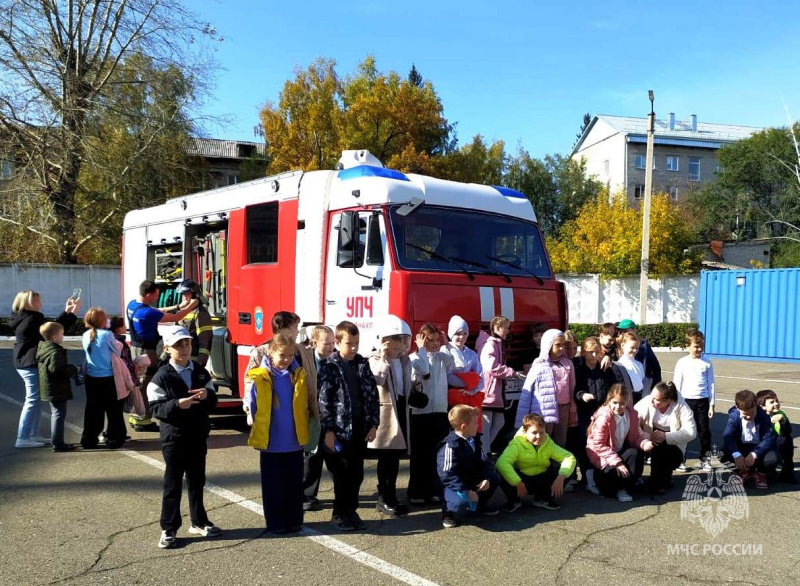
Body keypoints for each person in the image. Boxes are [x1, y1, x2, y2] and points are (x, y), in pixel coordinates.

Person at [148, 326, 220, 549]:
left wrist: (207, 395)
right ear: (168, 348)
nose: (185, 348)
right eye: (179, 344)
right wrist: (177, 404)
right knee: (173, 484)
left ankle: (199, 522)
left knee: (197, 481)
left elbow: (213, 401)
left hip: (197, 434)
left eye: (188, 343)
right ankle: (168, 527)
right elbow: (155, 408)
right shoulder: (161, 376)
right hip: (174, 437)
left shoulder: (200, 371)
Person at [318, 321, 380, 532]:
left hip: (360, 427)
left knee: (357, 473)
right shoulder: (330, 366)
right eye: (349, 344)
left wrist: (373, 424)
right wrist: (328, 430)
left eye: (356, 343)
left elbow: (372, 396)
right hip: (339, 429)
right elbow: (324, 400)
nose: (353, 348)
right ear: (337, 342)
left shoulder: (362, 364)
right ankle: (339, 513)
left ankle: (351, 510)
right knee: (342, 473)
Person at [246, 333, 310, 534]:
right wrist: (252, 419)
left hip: (294, 440)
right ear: (271, 352)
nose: (287, 359)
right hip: (271, 442)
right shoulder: (261, 376)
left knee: (293, 484)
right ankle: (276, 522)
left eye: (291, 355)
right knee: (273, 486)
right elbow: (253, 405)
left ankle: (294, 519)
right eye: (282, 355)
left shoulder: (297, 374)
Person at [11, 289, 80, 448]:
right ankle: (23, 437)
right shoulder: (34, 318)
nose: (40, 304)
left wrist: (67, 312)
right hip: (29, 361)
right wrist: (72, 313)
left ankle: (32, 435)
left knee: (36, 400)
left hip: (22, 360)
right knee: (33, 400)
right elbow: (51, 332)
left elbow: (51, 329)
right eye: (37, 301)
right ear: (29, 302)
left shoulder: (21, 317)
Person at [408, 322, 466, 504]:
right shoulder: (414, 357)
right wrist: (421, 349)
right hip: (420, 412)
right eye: (429, 340)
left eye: (435, 340)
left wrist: (447, 343)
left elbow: (460, 364)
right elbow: (423, 369)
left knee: (437, 453)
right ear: (420, 339)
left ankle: (434, 489)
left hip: (440, 410)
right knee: (420, 454)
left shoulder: (442, 356)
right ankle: (417, 491)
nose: (433, 344)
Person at [126, 280, 192, 430]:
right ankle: (143, 419)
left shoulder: (133, 305)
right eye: (155, 295)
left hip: (136, 348)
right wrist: (193, 303)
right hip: (147, 352)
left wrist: (177, 306)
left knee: (138, 382)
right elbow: (176, 317)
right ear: (148, 294)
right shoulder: (147, 313)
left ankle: (137, 415)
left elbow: (157, 311)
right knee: (146, 383)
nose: (157, 297)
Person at [368, 315, 412, 517]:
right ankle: (384, 497)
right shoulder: (375, 359)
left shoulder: (403, 360)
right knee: (386, 458)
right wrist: (384, 357)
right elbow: (377, 378)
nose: (400, 344)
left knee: (394, 459)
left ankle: (390, 495)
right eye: (395, 339)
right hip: (386, 416)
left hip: (400, 411)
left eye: (403, 339)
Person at [496, 413, 576, 513]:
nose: (538, 436)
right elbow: (501, 462)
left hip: (541, 479)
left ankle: (543, 498)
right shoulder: (516, 444)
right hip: (522, 482)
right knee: (499, 470)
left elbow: (568, 456)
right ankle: (514, 500)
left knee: (568, 469)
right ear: (525, 431)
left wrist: (561, 476)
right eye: (534, 432)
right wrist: (516, 482)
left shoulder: (547, 442)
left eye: (541, 433)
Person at [586, 384, 653, 502]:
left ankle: (623, 487)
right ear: (609, 401)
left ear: (627, 401)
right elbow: (599, 445)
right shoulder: (604, 417)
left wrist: (644, 442)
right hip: (602, 456)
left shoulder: (632, 415)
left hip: (617, 451)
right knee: (607, 492)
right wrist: (617, 463)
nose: (618, 406)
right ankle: (593, 476)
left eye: (622, 403)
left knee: (634, 453)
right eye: (615, 402)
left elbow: (636, 436)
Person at [437, 405, 500, 528]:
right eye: (475, 423)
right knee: (459, 502)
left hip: (470, 479)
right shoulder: (450, 445)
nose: (478, 426)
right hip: (453, 485)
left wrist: (486, 478)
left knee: (495, 477)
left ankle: (479, 505)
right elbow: (447, 474)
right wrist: (466, 490)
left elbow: (484, 461)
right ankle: (448, 511)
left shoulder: (474, 439)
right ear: (464, 427)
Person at [516, 329, 576, 450]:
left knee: (560, 442)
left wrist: (572, 408)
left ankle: (558, 466)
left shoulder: (568, 364)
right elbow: (527, 392)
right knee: (542, 442)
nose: (561, 348)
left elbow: (571, 387)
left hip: (564, 408)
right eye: (557, 345)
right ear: (548, 345)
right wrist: (521, 420)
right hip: (544, 411)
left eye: (563, 345)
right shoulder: (539, 365)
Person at [634, 381, 697, 494]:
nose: (652, 401)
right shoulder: (647, 402)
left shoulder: (682, 407)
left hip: (672, 446)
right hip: (649, 439)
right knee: (634, 444)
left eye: (656, 399)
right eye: (652, 397)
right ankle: (637, 478)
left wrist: (665, 436)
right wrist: (646, 437)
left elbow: (691, 433)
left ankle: (661, 482)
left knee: (662, 448)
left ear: (668, 400)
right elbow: (633, 421)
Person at [573, 336, 616, 492]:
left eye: (597, 352)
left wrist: (609, 404)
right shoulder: (578, 369)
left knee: (604, 443)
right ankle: (588, 478)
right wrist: (582, 395)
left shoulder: (606, 369)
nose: (594, 355)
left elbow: (613, 389)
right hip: (585, 414)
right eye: (590, 352)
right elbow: (575, 390)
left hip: (603, 413)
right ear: (584, 352)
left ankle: (603, 475)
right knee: (587, 444)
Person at [81, 307, 127, 450]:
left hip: (92, 376)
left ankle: (89, 439)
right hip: (108, 376)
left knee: (93, 409)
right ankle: (114, 438)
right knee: (114, 410)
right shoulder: (107, 335)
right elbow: (117, 351)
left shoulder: (86, 334)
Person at [303, 325, 335, 511]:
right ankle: (306, 494)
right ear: (314, 343)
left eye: (333, 342)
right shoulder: (307, 361)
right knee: (311, 456)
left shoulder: (334, 361)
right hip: (312, 415)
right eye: (327, 343)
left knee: (332, 454)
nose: (331, 347)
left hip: (330, 415)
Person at [673, 330, 715, 472]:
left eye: (701, 346)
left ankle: (705, 459)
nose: (699, 349)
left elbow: (711, 384)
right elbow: (677, 383)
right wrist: (676, 402)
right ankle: (680, 459)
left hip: (702, 401)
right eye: (696, 346)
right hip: (686, 401)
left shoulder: (707, 363)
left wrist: (712, 404)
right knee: (684, 430)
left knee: (704, 432)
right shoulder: (682, 363)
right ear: (687, 346)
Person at [722, 390, 779, 489]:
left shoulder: (763, 416)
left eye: (752, 413)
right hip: (743, 446)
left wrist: (754, 454)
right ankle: (743, 472)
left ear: (756, 406)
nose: (749, 417)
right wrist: (737, 454)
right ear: (737, 407)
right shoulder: (734, 416)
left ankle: (760, 474)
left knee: (773, 458)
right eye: (745, 414)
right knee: (722, 453)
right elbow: (728, 436)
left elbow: (768, 438)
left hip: (758, 447)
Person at [36, 322, 79, 452]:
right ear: (54, 337)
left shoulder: (44, 348)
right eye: (62, 334)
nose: (63, 336)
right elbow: (57, 371)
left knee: (57, 413)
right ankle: (58, 443)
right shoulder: (55, 353)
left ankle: (57, 441)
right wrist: (72, 369)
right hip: (56, 388)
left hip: (49, 387)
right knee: (59, 414)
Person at [479, 316, 517, 456]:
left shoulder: (497, 344)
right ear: (496, 328)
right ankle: (485, 453)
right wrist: (510, 372)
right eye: (506, 327)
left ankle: (484, 450)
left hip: (496, 390)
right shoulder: (490, 344)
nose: (508, 330)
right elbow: (491, 367)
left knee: (499, 421)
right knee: (487, 423)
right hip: (489, 390)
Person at [756, 390, 796, 483]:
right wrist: (769, 422)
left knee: (787, 440)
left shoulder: (780, 414)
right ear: (762, 406)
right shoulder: (759, 416)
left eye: (777, 401)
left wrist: (783, 421)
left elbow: (788, 431)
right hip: (764, 444)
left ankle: (787, 473)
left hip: (776, 442)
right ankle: (764, 471)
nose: (776, 403)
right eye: (772, 402)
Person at [175, 279, 213, 368]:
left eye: (186, 294)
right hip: (180, 361)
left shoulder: (201, 314)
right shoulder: (182, 312)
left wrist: (200, 364)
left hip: (192, 362)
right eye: (182, 294)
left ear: (194, 295)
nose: (183, 297)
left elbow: (205, 341)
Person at [616, 319, 662, 393]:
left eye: (625, 330)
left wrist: (656, 383)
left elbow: (654, 365)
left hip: (641, 383)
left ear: (634, 329)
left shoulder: (643, 345)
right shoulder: (616, 343)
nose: (623, 333)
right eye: (621, 331)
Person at [613, 332, 645, 405]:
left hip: (640, 397)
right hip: (627, 399)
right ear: (623, 345)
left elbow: (641, 381)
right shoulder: (619, 365)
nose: (634, 351)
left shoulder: (639, 364)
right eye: (632, 347)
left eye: (637, 348)